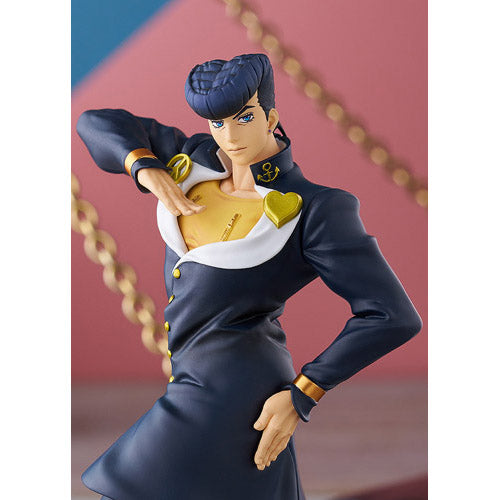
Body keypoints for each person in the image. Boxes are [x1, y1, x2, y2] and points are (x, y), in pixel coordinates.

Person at [76, 53, 422, 500]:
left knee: (126, 485)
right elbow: (95, 122)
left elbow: (392, 315)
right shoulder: (194, 159)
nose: (230, 136)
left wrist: (305, 391)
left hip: (237, 391)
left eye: (244, 118)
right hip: (192, 378)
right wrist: (143, 164)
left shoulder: (316, 208)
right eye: (218, 123)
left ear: (271, 118)